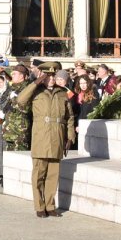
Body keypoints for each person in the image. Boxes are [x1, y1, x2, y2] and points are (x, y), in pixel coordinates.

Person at [17, 63, 76, 217]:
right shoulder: (35, 91)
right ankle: (39, 206)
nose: (51, 79)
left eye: (53, 76)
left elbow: (69, 117)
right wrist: (36, 82)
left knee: (53, 175)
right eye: (47, 76)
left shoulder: (62, 93)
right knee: (39, 175)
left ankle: (50, 205)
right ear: (42, 76)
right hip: (41, 137)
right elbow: (20, 100)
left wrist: (70, 136)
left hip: (57, 136)